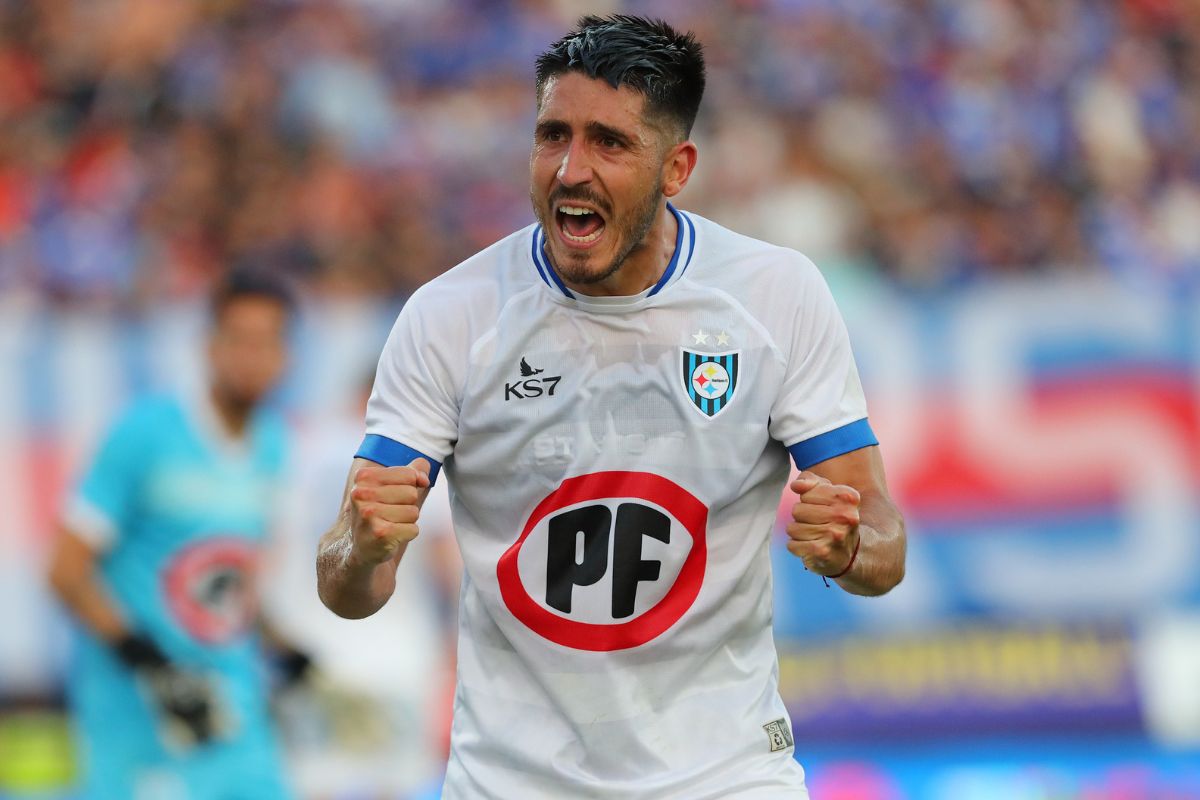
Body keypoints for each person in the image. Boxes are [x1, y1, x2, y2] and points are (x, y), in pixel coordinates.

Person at [317, 14, 906, 799]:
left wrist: (848, 547)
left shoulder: (775, 294)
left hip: (726, 776)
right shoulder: (448, 316)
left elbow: (883, 543)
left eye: (609, 142)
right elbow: (346, 589)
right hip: (512, 785)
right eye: (552, 135)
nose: (570, 169)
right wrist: (360, 548)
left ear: (676, 167)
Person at [47, 270, 298, 800]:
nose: (253, 357)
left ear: (287, 355)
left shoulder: (273, 445)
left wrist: (284, 646)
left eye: (268, 342)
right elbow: (65, 571)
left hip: (231, 706)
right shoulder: (144, 433)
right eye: (240, 340)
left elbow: (229, 580)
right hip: (136, 715)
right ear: (209, 345)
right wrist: (142, 656)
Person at [263, 375, 458, 799]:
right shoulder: (417, 458)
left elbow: (266, 554)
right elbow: (449, 570)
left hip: (312, 655)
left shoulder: (301, 450)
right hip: (399, 659)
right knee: (394, 789)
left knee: (314, 785)